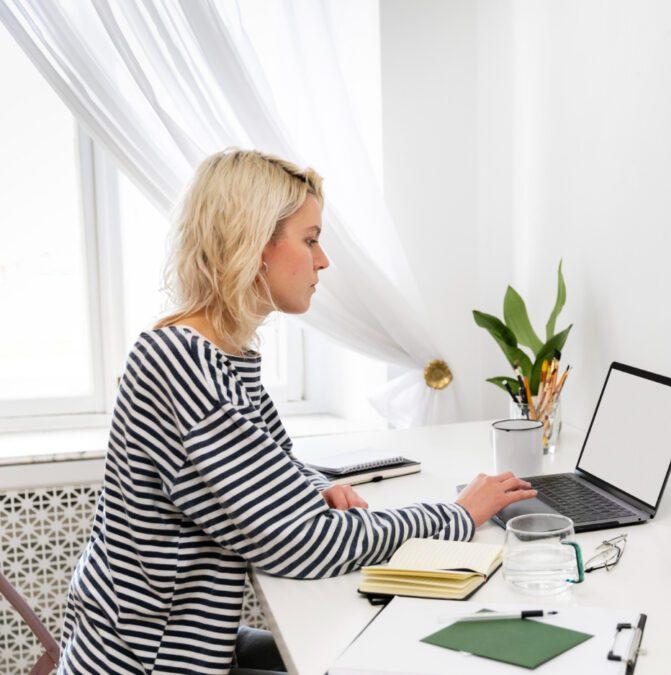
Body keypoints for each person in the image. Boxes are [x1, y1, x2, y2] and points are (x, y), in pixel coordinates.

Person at [57, 149, 537, 674]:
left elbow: (265, 464)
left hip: (183, 647)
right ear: (254, 243)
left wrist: (309, 487)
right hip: (151, 662)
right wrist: (458, 515)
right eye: (310, 240)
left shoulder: (221, 354)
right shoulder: (185, 365)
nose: (323, 259)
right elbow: (302, 544)